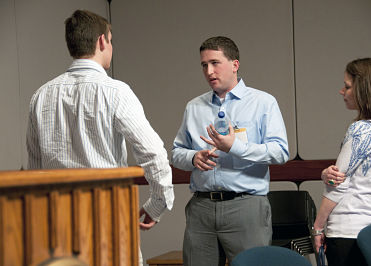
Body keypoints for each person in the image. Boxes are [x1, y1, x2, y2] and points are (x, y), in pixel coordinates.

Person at [26, 10, 174, 264]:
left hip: (58, 225)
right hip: (108, 220)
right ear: (102, 41)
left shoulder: (41, 96)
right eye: (111, 40)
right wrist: (156, 205)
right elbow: (154, 154)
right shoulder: (115, 92)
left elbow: (34, 171)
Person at [171, 36, 289, 265]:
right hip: (201, 208)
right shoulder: (194, 107)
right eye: (204, 65)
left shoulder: (263, 103)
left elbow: (280, 152)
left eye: (215, 63)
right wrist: (193, 157)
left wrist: (235, 147)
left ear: (235, 64)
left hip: (246, 206)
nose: (209, 71)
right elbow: (176, 153)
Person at [313, 58, 371, 266]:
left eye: (348, 86)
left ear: (366, 90)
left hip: (346, 230)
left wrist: (317, 227)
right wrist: (327, 173)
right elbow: (356, 176)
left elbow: (338, 186)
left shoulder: (360, 130)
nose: (342, 91)